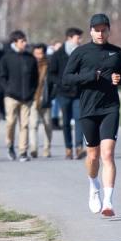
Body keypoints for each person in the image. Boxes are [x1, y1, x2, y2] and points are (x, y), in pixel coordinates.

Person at [62, 14, 121, 217]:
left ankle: (108, 202)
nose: (100, 33)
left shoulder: (117, 52)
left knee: (107, 154)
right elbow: (67, 78)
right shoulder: (81, 53)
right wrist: (91, 76)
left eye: (104, 30)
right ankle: (93, 185)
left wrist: (119, 78)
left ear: (109, 31)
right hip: (88, 109)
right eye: (96, 30)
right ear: (90, 31)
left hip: (110, 107)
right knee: (93, 156)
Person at [0, 31, 38, 162]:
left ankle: (22, 151)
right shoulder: (6, 58)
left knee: (24, 125)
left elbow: (35, 78)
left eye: (25, 41)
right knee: (10, 122)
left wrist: (32, 92)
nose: (25, 43)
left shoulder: (30, 58)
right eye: (22, 41)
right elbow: (2, 77)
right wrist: (8, 90)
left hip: (27, 98)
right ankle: (10, 146)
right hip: (11, 97)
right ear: (15, 42)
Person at [48, 28, 84, 159]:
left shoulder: (82, 53)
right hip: (63, 93)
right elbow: (51, 74)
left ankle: (79, 147)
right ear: (69, 38)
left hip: (78, 93)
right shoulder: (57, 54)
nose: (80, 40)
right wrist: (62, 82)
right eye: (78, 38)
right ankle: (68, 148)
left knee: (80, 119)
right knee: (66, 122)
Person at [28, 43, 54, 158]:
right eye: (36, 53)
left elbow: (53, 82)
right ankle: (33, 148)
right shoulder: (29, 64)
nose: (38, 56)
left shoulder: (49, 65)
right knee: (33, 125)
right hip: (33, 98)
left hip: (46, 98)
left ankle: (47, 149)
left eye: (41, 53)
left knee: (47, 124)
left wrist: (52, 95)